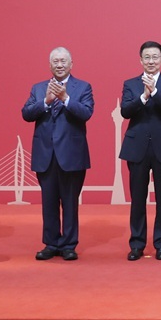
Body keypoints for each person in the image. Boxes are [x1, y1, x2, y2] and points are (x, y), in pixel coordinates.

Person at [21, 47, 93, 261]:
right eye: (55, 61)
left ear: (71, 64)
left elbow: (86, 113)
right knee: (49, 202)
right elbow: (26, 114)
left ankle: (69, 245)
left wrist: (66, 98)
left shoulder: (83, 87)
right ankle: (51, 243)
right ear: (50, 65)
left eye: (63, 61)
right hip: (45, 154)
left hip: (72, 155)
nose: (59, 65)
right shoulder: (38, 88)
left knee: (70, 202)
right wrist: (46, 101)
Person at [119, 41, 161, 261]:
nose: (151, 61)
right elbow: (125, 111)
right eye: (147, 57)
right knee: (138, 198)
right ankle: (137, 244)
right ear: (140, 60)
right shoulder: (130, 84)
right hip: (137, 148)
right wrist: (143, 97)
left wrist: (154, 92)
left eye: (155, 57)